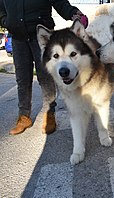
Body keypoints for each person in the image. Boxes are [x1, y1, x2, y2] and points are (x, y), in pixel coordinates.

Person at [0, 0, 88, 135]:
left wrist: (73, 13)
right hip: (18, 38)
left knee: (45, 77)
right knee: (22, 79)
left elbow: (61, 3)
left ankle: (49, 113)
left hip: (41, 37)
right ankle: (24, 116)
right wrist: (6, 21)